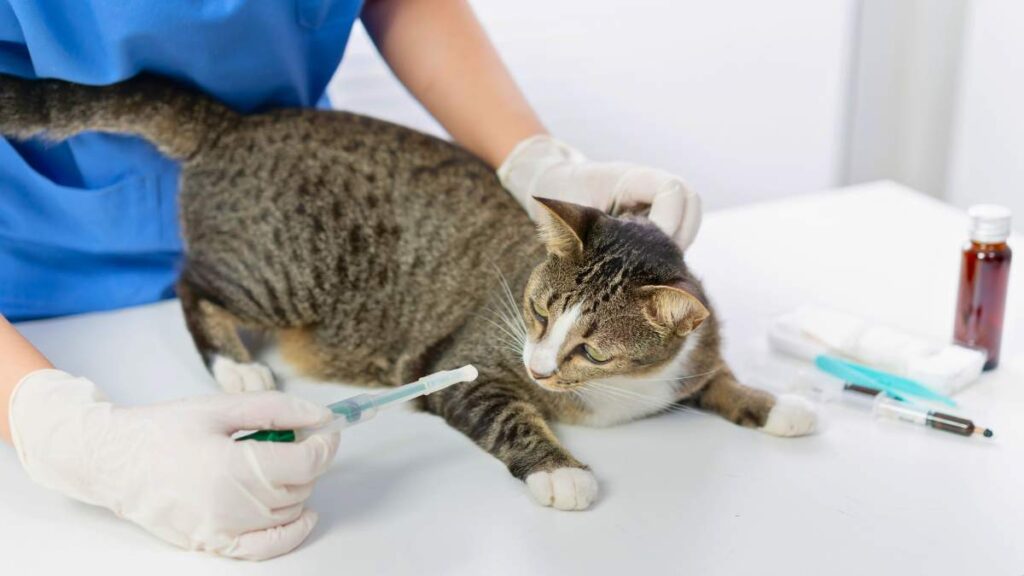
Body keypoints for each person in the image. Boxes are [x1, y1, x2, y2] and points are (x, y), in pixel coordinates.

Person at [0, 0, 701, 561]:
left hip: (301, 194)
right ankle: (206, 306)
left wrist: (531, 158)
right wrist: (65, 432)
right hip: (35, 276)